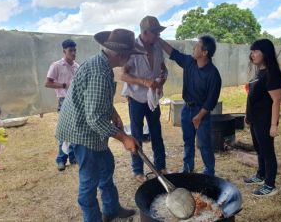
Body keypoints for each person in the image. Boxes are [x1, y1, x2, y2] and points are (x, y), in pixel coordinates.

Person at [56, 29, 144, 222]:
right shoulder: (99, 72)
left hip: (91, 128)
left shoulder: (102, 64)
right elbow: (95, 118)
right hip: (81, 132)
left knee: (106, 166)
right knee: (89, 182)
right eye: (130, 54)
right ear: (121, 55)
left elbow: (95, 98)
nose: (131, 58)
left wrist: (113, 113)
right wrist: (124, 138)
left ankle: (111, 210)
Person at [159, 35, 221, 176]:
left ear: (204, 52)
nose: (194, 48)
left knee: (204, 143)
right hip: (187, 109)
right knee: (188, 141)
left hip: (202, 112)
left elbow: (211, 101)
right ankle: (188, 168)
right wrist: (159, 40)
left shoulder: (213, 74)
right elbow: (174, 53)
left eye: (197, 46)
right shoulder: (189, 62)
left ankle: (209, 172)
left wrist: (199, 116)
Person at [121, 16, 168, 183]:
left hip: (152, 98)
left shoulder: (157, 47)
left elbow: (164, 70)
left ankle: (161, 166)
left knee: (156, 131)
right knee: (137, 134)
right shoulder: (132, 48)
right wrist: (143, 81)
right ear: (145, 32)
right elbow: (123, 75)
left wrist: (161, 80)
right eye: (155, 33)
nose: (158, 36)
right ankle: (138, 170)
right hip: (135, 98)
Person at [244, 39, 281, 197]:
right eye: (252, 51)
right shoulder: (260, 71)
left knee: (267, 152)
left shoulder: (272, 73)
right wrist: (248, 116)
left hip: (265, 120)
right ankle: (261, 175)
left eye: (255, 51)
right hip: (255, 119)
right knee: (259, 149)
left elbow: (276, 101)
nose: (252, 54)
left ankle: (270, 184)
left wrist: (273, 125)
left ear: (265, 53)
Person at [45, 39, 79, 171]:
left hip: (76, 100)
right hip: (64, 100)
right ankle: (61, 159)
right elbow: (47, 83)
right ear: (64, 51)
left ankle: (73, 157)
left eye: (75, 50)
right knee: (64, 130)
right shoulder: (56, 65)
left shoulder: (77, 66)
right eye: (71, 50)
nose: (73, 53)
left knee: (75, 129)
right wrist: (64, 85)